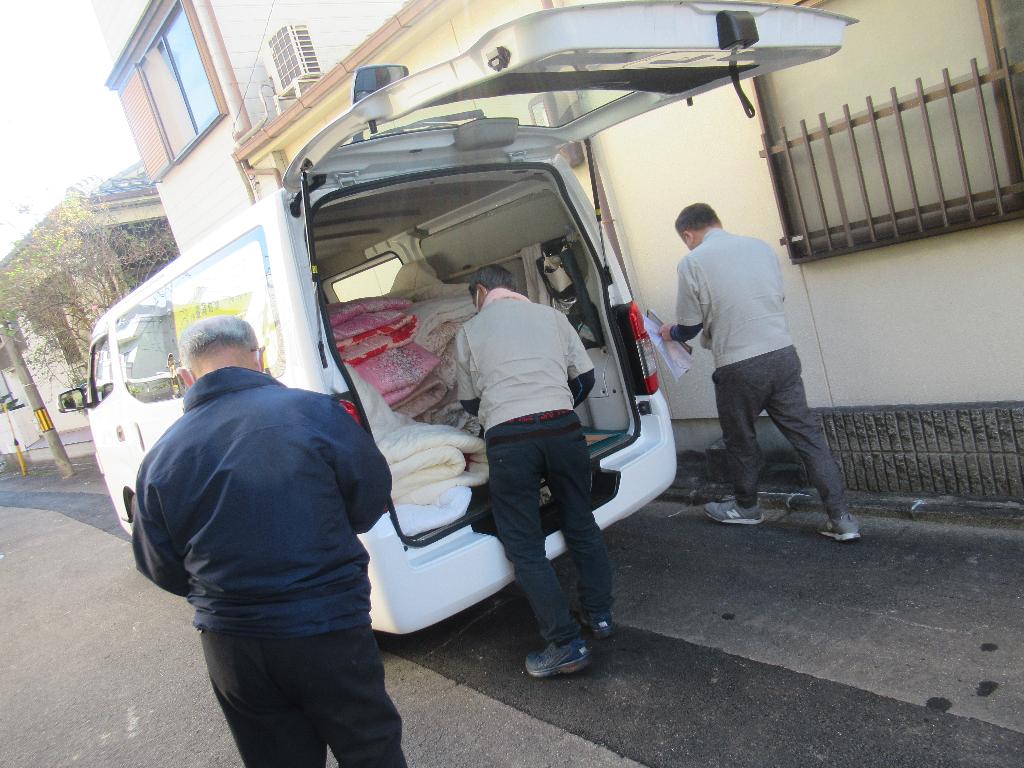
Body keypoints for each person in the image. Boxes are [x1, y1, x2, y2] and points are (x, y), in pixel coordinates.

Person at [132, 315, 407, 768]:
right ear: (258, 358)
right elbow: (369, 498)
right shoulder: (316, 413)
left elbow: (158, 565)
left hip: (232, 642)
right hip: (327, 625)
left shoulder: (161, 456)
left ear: (185, 376)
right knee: (370, 749)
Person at [661, 203, 861, 542]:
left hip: (739, 365)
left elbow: (689, 327)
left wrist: (670, 332)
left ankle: (746, 507)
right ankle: (842, 518)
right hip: (782, 355)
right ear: (717, 222)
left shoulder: (692, 262)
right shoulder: (760, 248)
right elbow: (776, 298)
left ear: (688, 234)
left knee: (740, 438)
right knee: (808, 438)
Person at [455, 265, 613, 678]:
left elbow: (469, 403)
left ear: (481, 291)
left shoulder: (469, 332)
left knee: (524, 545)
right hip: (564, 429)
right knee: (581, 521)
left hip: (510, 440)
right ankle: (599, 615)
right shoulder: (552, 316)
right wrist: (555, 405)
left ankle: (565, 643)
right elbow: (586, 377)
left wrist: (506, 408)